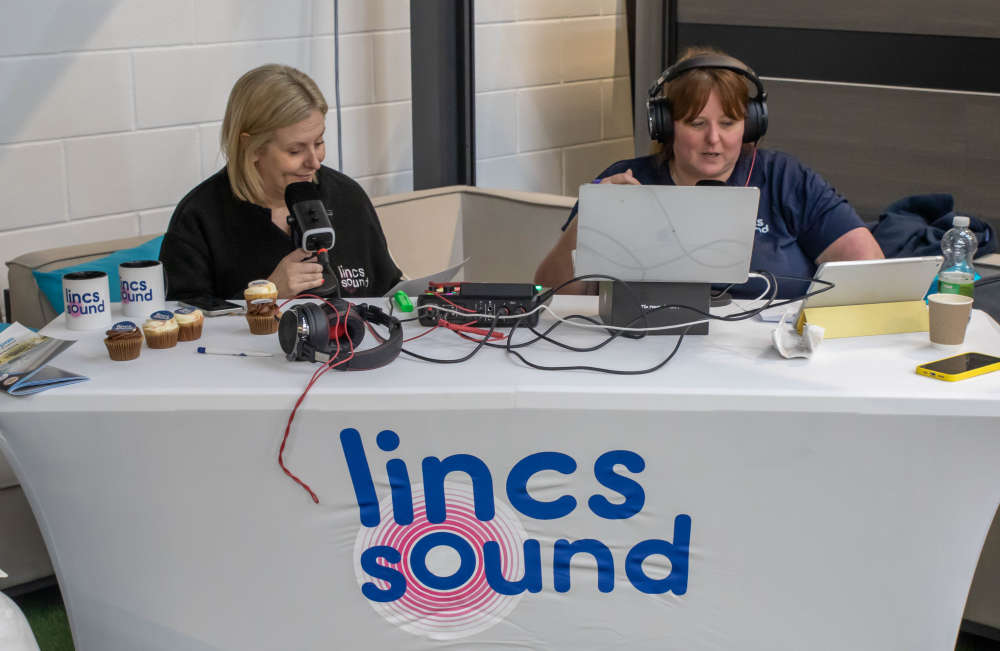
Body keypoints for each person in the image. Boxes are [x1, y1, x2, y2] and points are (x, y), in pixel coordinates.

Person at [534, 47, 884, 298]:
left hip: (767, 353)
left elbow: (868, 266)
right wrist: (592, 221)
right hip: (648, 351)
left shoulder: (785, 178)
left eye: (728, 123)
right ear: (666, 126)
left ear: (751, 125)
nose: (713, 139)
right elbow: (550, 292)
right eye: (696, 123)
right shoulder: (627, 180)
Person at [160, 64, 402, 300]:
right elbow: (180, 319)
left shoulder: (347, 196)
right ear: (251, 148)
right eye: (295, 150)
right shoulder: (199, 217)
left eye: (319, 143)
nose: (314, 162)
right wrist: (266, 293)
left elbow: (389, 291)